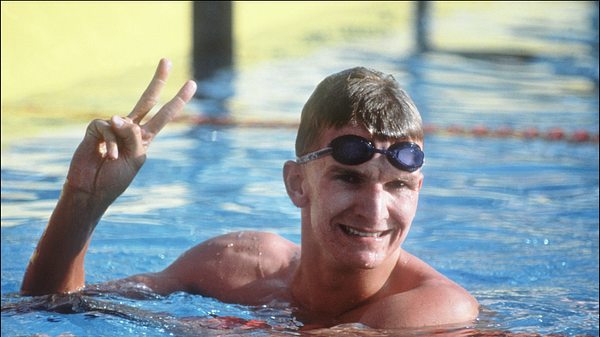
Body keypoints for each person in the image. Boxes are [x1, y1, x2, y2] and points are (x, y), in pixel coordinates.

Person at [20, 58, 479, 330]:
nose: (376, 211)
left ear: (418, 189)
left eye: (398, 185)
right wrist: (84, 200)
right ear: (297, 184)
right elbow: (47, 308)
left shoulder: (436, 311)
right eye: (349, 178)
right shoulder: (233, 265)